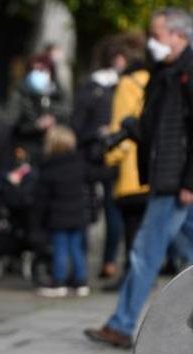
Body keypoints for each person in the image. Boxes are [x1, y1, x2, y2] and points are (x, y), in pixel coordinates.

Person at [85, 8, 193, 349]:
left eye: (158, 35)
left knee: (145, 251)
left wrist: (189, 181)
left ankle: (122, 324)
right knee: (184, 247)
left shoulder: (187, 72)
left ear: (179, 36)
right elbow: (153, 126)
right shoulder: (165, 71)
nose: (152, 42)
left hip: (175, 179)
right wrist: (129, 130)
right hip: (166, 175)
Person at [72, 36, 126, 280]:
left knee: (83, 210)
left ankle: (81, 262)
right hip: (112, 158)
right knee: (112, 212)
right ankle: (108, 261)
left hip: (90, 157)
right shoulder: (124, 87)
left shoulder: (90, 88)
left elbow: (76, 125)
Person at [102, 33, 150, 289]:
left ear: (121, 59)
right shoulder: (154, 79)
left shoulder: (127, 84)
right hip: (153, 167)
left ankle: (132, 280)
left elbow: (119, 127)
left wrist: (110, 156)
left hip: (131, 171)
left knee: (131, 230)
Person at [34, 126, 91, 297]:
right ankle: (81, 282)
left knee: (61, 248)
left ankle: (59, 281)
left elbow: (42, 198)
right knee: (76, 248)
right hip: (78, 214)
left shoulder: (49, 168)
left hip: (58, 215)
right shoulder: (80, 164)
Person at [5, 52, 71, 163]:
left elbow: (68, 117)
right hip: (27, 150)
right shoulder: (20, 94)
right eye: (33, 70)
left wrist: (55, 120)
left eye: (41, 70)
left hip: (53, 151)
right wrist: (36, 125)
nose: (37, 74)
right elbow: (11, 122)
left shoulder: (59, 95)